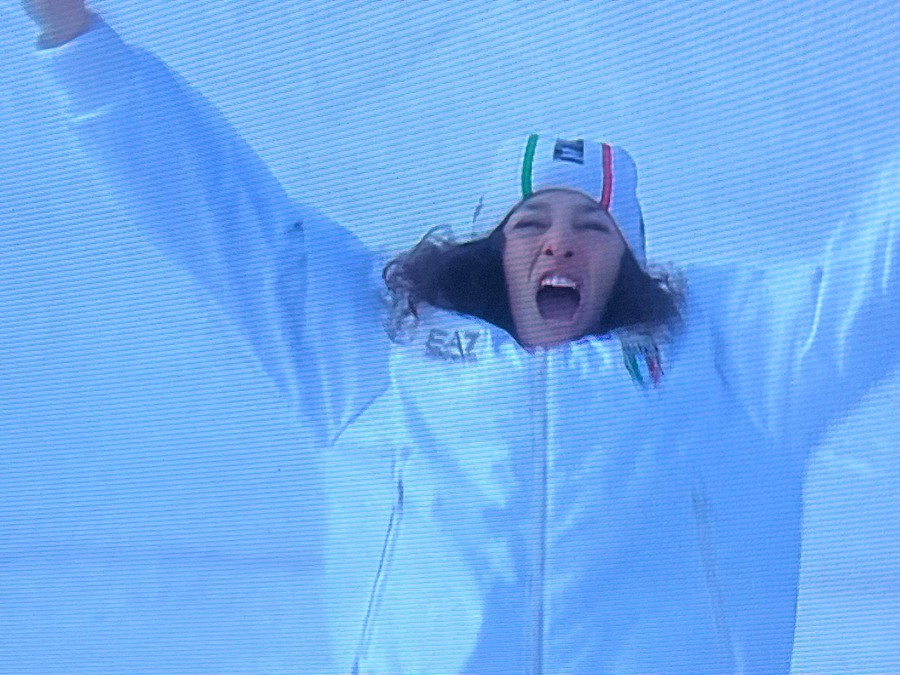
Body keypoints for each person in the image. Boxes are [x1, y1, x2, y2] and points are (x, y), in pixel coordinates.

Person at [23, 2, 900, 673]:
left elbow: (880, 271)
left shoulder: (741, 361)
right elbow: (214, 209)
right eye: (531, 223)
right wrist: (74, 38)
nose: (559, 241)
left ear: (627, 262)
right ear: (491, 253)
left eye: (593, 228)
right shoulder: (377, 349)